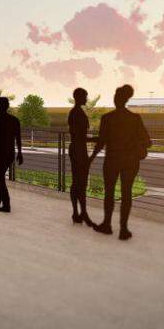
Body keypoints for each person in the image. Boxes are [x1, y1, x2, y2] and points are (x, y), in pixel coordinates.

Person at [90, 84, 151, 240]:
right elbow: (147, 141)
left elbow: (101, 142)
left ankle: (107, 225)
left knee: (109, 193)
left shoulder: (107, 118)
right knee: (127, 194)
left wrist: (90, 158)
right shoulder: (135, 119)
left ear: (117, 99)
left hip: (112, 161)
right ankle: (123, 229)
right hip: (130, 162)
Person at [67, 87, 94, 226]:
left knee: (77, 182)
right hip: (79, 151)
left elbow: (78, 136)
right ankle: (79, 212)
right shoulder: (77, 113)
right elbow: (80, 137)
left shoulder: (75, 112)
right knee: (79, 183)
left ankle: (78, 212)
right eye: (85, 96)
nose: (86, 99)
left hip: (77, 149)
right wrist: (95, 139)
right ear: (79, 97)